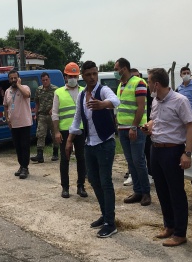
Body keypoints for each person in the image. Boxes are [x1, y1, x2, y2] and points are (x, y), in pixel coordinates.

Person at [66, 61, 120, 238]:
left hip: (105, 143)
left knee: (105, 182)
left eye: (94, 74)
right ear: (83, 76)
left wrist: (103, 104)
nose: (92, 77)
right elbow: (77, 118)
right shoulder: (82, 95)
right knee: (94, 180)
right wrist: (69, 140)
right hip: (90, 143)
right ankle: (105, 214)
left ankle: (110, 223)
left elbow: (115, 101)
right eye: (88, 74)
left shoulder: (103, 90)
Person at [142, 68, 192, 247]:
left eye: (149, 82)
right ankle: (169, 226)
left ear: (156, 84)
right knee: (162, 190)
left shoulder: (180, 101)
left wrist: (187, 153)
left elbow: (190, 126)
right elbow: (154, 120)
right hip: (156, 149)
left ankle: (180, 233)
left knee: (176, 192)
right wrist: (148, 126)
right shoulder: (156, 101)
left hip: (173, 151)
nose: (148, 85)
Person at [114, 58, 151, 206]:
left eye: (116, 69)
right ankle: (137, 191)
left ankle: (146, 193)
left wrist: (134, 126)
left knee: (138, 161)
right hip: (123, 128)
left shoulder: (139, 83)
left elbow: (141, 107)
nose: (115, 72)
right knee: (130, 162)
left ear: (124, 68)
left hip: (135, 129)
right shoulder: (121, 85)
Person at [52, 62, 87, 198]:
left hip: (80, 129)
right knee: (65, 159)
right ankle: (65, 187)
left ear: (78, 77)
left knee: (81, 158)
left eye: (75, 76)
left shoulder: (84, 91)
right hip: (64, 131)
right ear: (65, 76)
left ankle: (81, 186)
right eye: (70, 76)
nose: (72, 78)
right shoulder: (58, 92)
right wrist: (56, 131)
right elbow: (55, 114)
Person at [4, 70, 33, 179]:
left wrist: (19, 85)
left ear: (19, 78)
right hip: (14, 124)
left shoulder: (25, 88)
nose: (13, 80)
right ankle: (21, 165)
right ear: (8, 80)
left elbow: (27, 95)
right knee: (18, 147)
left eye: (15, 78)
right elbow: (5, 106)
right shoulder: (7, 91)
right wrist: (7, 118)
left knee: (25, 146)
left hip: (24, 123)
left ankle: (25, 167)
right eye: (11, 78)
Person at [31, 72, 59, 163]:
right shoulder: (39, 90)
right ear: (41, 81)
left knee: (54, 134)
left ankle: (55, 152)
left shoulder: (55, 89)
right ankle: (40, 155)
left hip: (52, 115)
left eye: (46, 80)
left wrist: (53, 109)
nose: (45, 81)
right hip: (42, 115)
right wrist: (36, 113)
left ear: (49, 79)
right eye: (43, 80)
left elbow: (59, 102)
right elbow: (37, 102)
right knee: (40, 134)